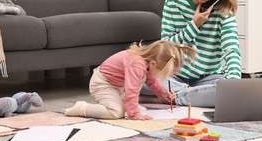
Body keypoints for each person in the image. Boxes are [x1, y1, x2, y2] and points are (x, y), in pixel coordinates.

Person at [140, 0, 241, 108]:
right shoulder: (174, 0)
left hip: (209, 77)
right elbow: (166, 47)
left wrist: (233, 83)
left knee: (230, 91)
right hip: (174, 76)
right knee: (140, 79)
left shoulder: (224, 9)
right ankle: (194, 95)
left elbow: (231, 49)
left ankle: (173, 97)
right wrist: (194, 25)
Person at [65, 40, 196, 120]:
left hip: (117, 86)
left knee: (139, 109)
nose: (163, 77)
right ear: (154, 64)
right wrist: (134, 115)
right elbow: (132, 90)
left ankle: (126, 106)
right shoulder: (136, 64)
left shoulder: (147, 62)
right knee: (117, 113)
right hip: (103, 83)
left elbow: (152, 81)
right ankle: (82, 108)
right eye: (163, 74)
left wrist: (163, 93)